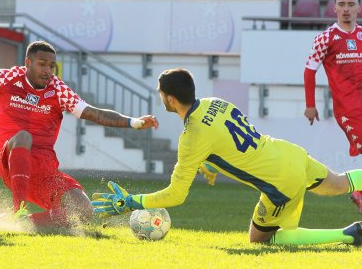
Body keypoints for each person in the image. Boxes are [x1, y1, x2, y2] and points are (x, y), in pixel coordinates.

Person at [92, 68, 362, 246]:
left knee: (260, 240)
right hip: (289, 153)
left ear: (171, 100)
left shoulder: (192, 137)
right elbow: (232, 140)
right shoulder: (214, 102)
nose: (160, 97)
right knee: (338, 183)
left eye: (161, 93)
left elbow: (176, 195)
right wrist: (210, 162)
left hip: (280, 182)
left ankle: (349, 235)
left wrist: (131, 201)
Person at [0, 40, 159, 230]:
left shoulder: (57, 88)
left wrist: (134, 122)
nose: (48, 70)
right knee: (24, 136)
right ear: (27, 63)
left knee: (83, 211)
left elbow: (93, 113)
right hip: (13, 161)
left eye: (51, 65)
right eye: (42, 63)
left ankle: (24, 223)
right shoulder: (8, 77)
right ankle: (18, 209)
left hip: (44, 170)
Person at [303, 0, 362, 214]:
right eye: (342, 4)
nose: (346, 9)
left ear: (358, 7)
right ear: (334, 8)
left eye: (351, 4)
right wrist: (310, 105)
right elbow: (309, 71)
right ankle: (358, 192)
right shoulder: (325, 39)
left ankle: (359, 191)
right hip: (348, 109)